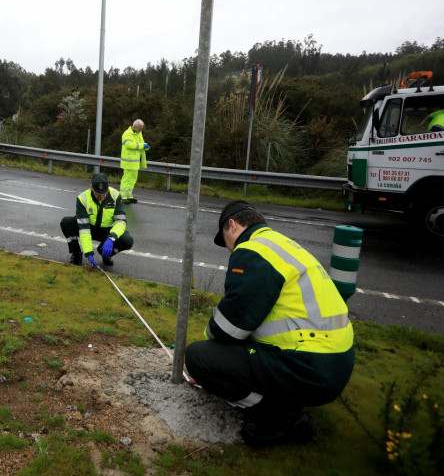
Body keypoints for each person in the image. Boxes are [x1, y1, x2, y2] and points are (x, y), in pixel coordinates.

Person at [184, 200, 354, 448]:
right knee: (230, 352)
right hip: (335, 361)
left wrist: (212, 357)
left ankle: (280, 416)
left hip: (308, 365)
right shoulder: (284, 244)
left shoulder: (252, 250)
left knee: (198, 356)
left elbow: (231, 327)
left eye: (225, 240)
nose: (230, 249)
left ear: (232, 225)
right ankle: (287, 399)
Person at [59, 173, 134, 267]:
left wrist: (112, 238)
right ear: (92, 188)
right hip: (90, 228)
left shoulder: (116, 195)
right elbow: (84, 229)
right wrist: (89, 253)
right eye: (98, 195)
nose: (102, 197)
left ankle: (106, 253)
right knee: (66, 222)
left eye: (104, 194)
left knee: (127, 240)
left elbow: (121, 221)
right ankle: (76, 253)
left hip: (107, 231)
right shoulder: (82, 198)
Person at [120, 119, 149, 203]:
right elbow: (129, 145)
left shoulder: (138, 133)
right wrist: (142, 145)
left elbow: (142, 144)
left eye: (142, 128)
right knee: (127, 179)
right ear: (135, 127)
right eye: (140, 128)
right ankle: (122, 197)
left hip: (135, 161)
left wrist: (146, 146)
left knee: (133, 179)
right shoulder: (127, 133)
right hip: (128, 161)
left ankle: (129, 195)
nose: (141, 130)